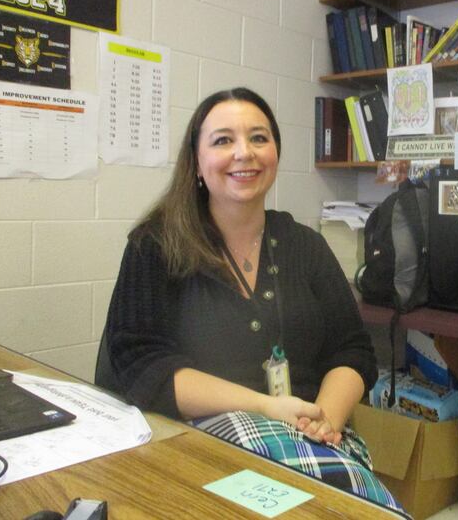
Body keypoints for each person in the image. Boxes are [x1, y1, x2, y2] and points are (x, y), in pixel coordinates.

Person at [96, 87, 403, 513]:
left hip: (310, 439)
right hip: (196, 437)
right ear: (197, 163)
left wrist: (324, 420)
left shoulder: (306, 246)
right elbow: (143, 367)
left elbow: (352, 350)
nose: (245, 153)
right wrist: (266, 407)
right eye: (223, 140)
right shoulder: (156, 245)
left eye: (259, 138)